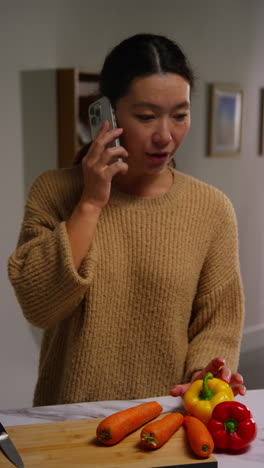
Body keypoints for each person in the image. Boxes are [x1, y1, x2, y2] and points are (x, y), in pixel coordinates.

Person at [8, 33, 246, 407]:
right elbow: (39, 306)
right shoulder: (54, 191)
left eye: (180, 115)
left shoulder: (211, 209)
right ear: (107, 113)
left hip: (168, 418)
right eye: (146, 117)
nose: (165, 136)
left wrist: (205, 374)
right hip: (68, 420)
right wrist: (90, 203)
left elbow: (218, 323)